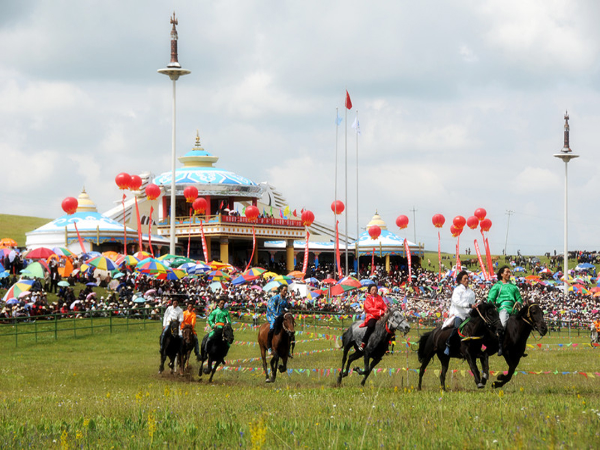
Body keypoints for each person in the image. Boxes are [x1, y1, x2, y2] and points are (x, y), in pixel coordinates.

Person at [488, 265, 523, 356]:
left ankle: (520, 347)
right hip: (503, 308)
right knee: (502, 324)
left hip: (514, 309)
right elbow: (490, 299)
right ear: (502, 274)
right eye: (507, 272)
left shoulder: (514, 287)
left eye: (509, 272)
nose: (509, 274)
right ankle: (500, 346)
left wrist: (519, 303)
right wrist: (493, 306)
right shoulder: (497, 286)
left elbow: (519, 298)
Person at [444, 270, 477, 355]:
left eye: (467, 278)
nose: (467, 280)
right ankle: (448, 344)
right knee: (457, 328)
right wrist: (469, 305)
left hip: (468, 315)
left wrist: (474, 307)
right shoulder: (457, 290)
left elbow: (472, 303)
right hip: (458, 314)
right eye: (465, 278)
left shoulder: (471, 292)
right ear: (460, 280)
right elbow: (456, 302)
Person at [359, 284, 387, 351]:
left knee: (388, 326)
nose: (374, 291)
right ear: (369, 291)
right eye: (373, 290)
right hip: (371, 316)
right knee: (371, 325)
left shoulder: (379, 297)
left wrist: (386, 310)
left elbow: (384, 305)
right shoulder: (368, 299)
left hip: (381, 316)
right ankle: (364, 342)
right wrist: (379, 312)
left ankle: (386, 344)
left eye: (375, 290)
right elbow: (369, 309)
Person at [266, 285, 289, 353]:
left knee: (288, 328)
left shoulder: (285, 299)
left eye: (286, 291)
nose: (285, 292)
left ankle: (288, 348)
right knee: (272, 326)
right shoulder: (275, 298)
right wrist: (276, 314)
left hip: (281, 316)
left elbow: (286, 307)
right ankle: (269, 346)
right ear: (281, 290)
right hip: (272, 315)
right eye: (284, 290)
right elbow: (271, 307)